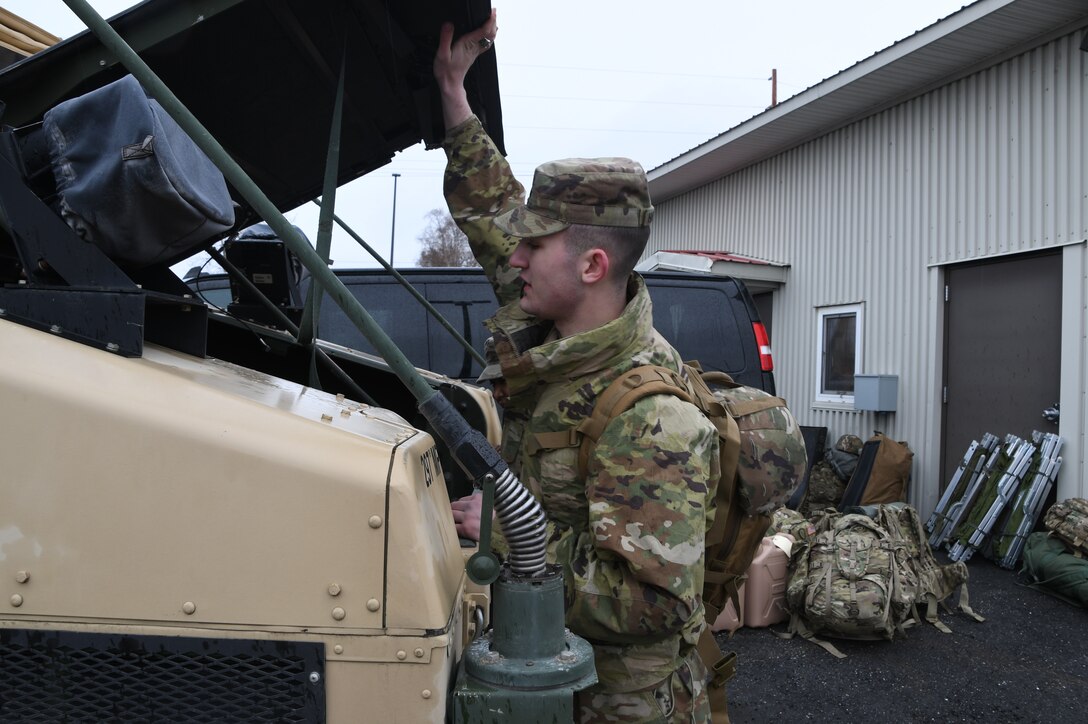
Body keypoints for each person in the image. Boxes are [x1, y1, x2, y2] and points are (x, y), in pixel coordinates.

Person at [437, 12, 719, 722]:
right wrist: (453, 92)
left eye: (535, 246)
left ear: (593, 265)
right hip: (551, 673)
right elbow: (494, 213)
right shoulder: (560, 318)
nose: (516, 258)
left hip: (615, 703)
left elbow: (650, 601)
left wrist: (501, 532)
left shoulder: (651, 418)